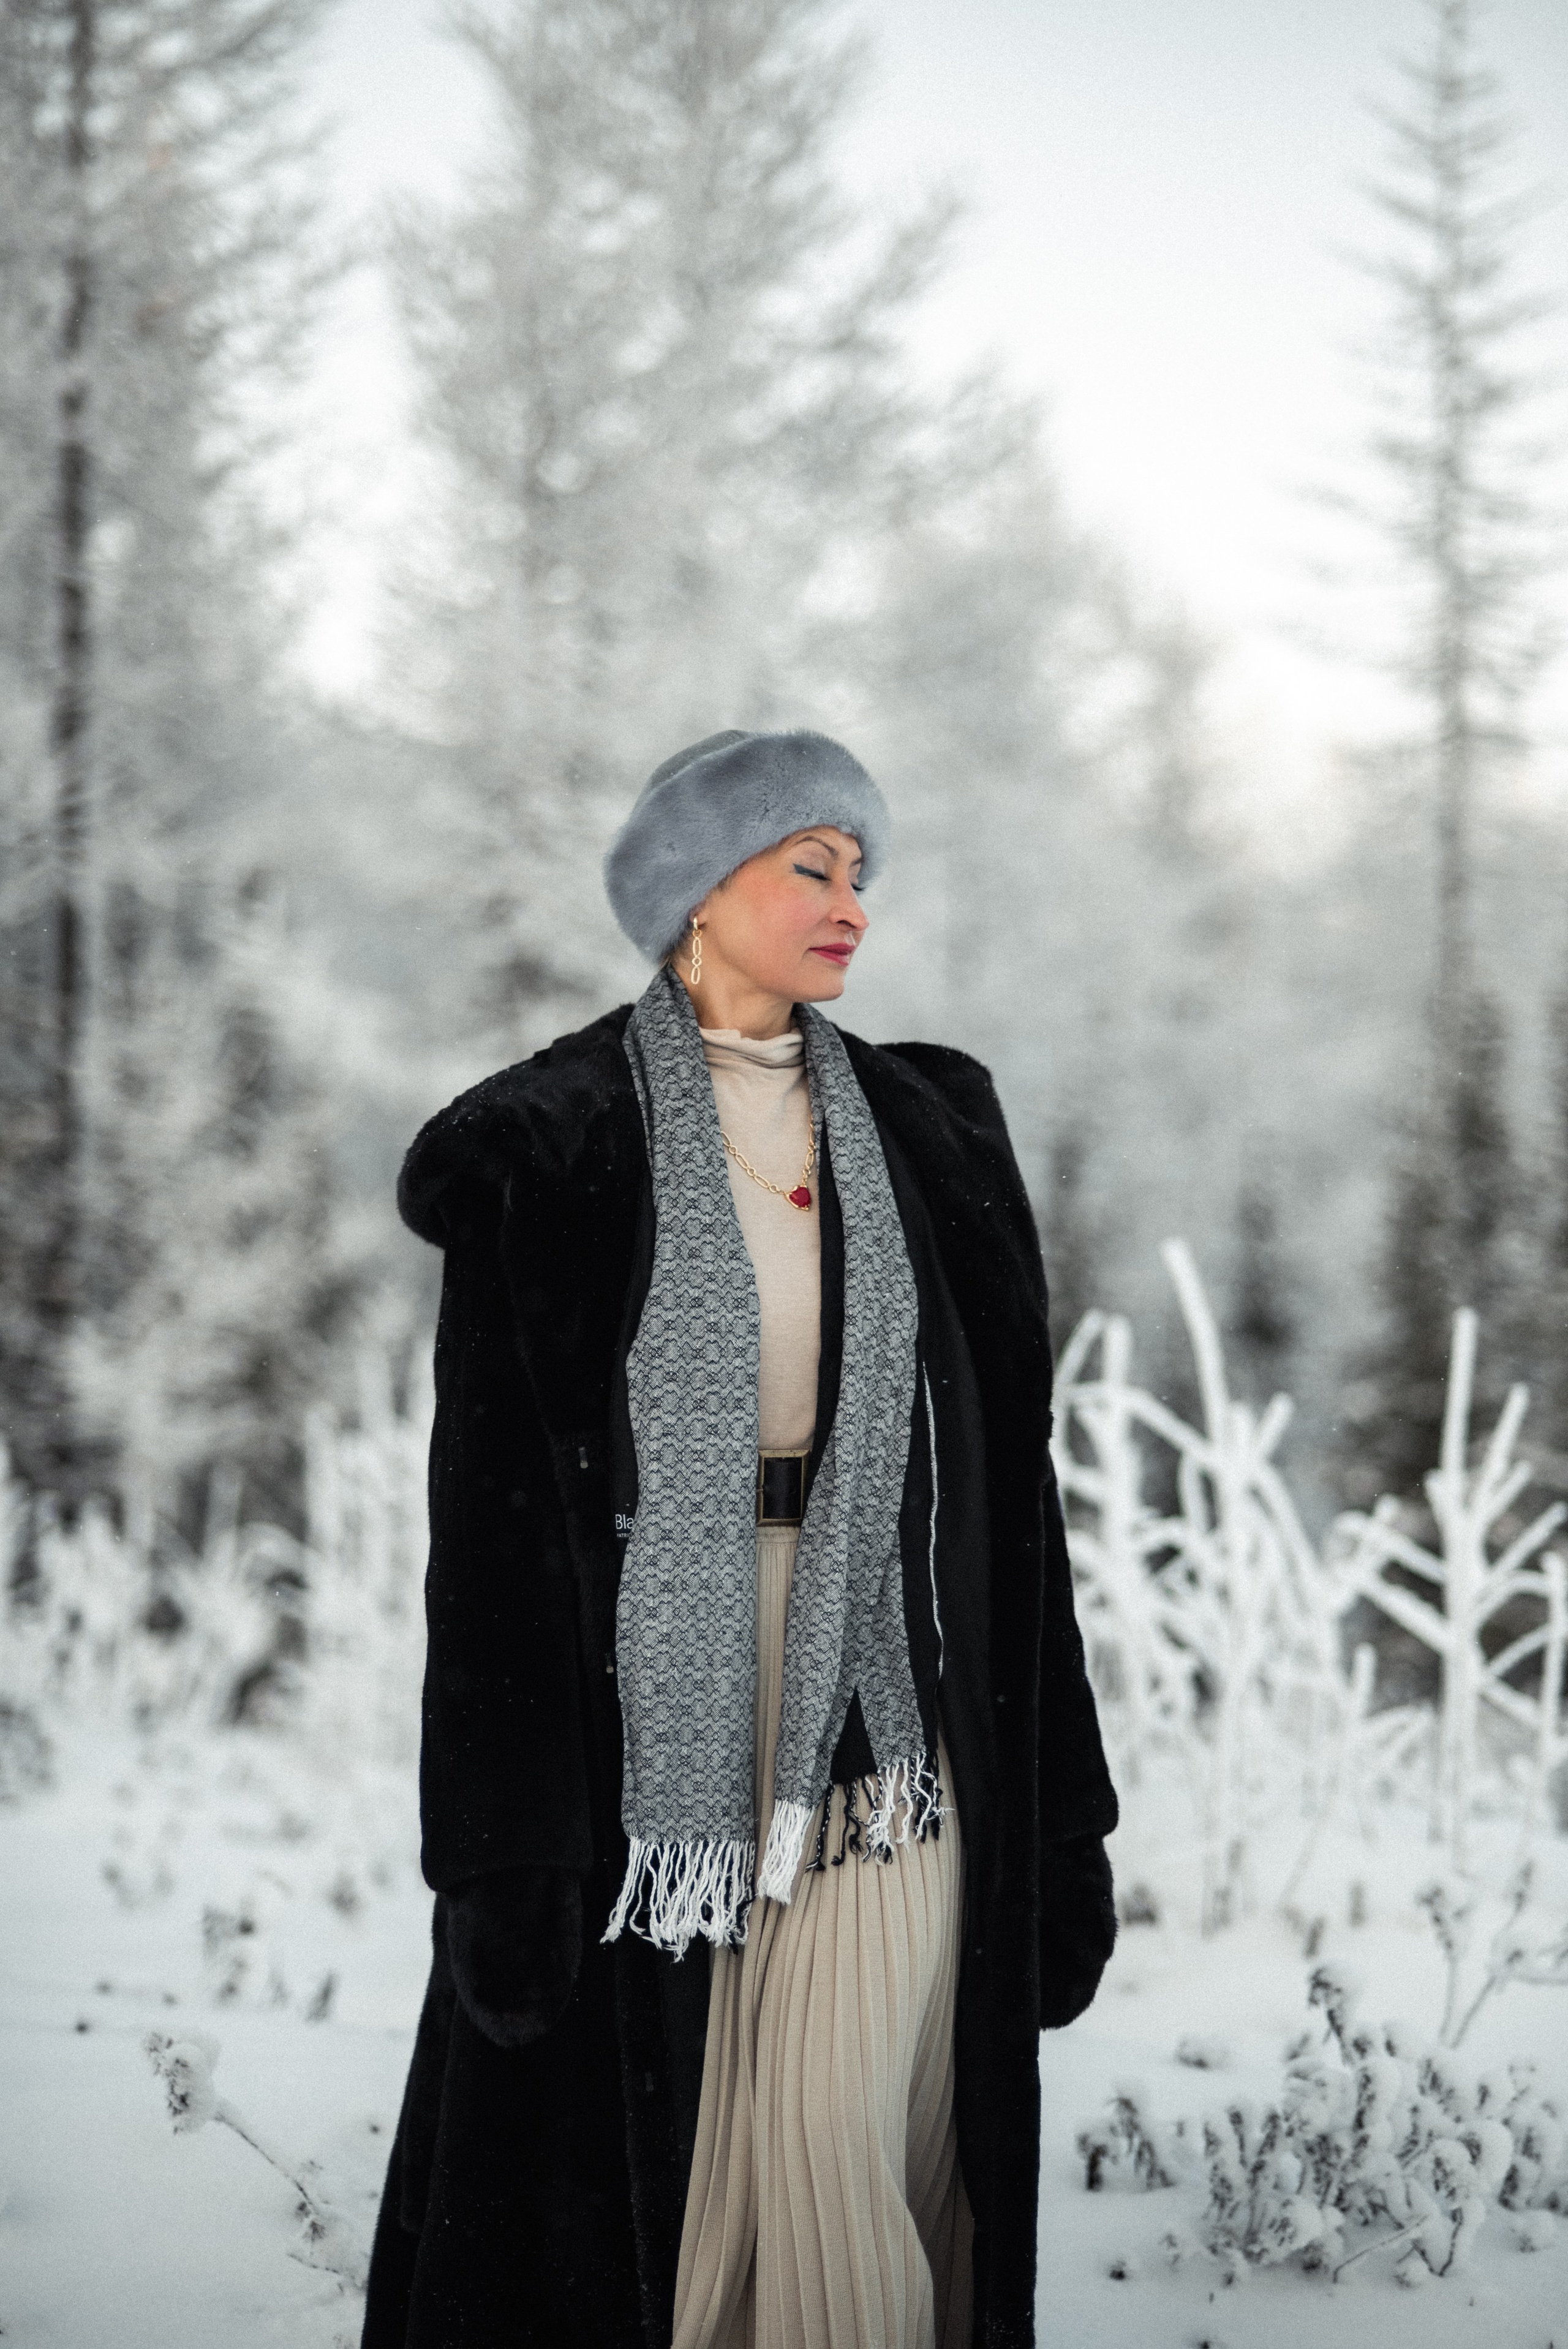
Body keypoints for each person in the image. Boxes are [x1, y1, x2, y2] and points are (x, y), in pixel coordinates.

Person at [361, 728, 1119, 2349]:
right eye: (810, 863)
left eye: (864, 868)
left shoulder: (932, 1133)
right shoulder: (556, 1145)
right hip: (659, 1723)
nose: (853, 900)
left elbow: (1008, 1497)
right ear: (698, 890)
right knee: (687, 2199)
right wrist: (505, 1852)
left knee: (861, 2165)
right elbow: (489, 1547)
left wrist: (1066, 1821)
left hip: (892, 1714)